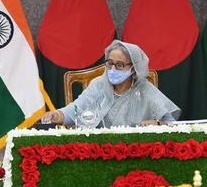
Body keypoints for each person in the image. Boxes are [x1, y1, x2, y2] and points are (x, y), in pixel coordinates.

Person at [41, 39, 181, 128]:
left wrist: (157, 124)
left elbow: (171, 124)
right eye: (110, 63)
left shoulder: (144, 89)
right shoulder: (99, 85)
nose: (113, 69)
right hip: (99, 151)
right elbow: (75, 111)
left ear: (133, 68)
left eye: (120, 65)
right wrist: (57, 115)